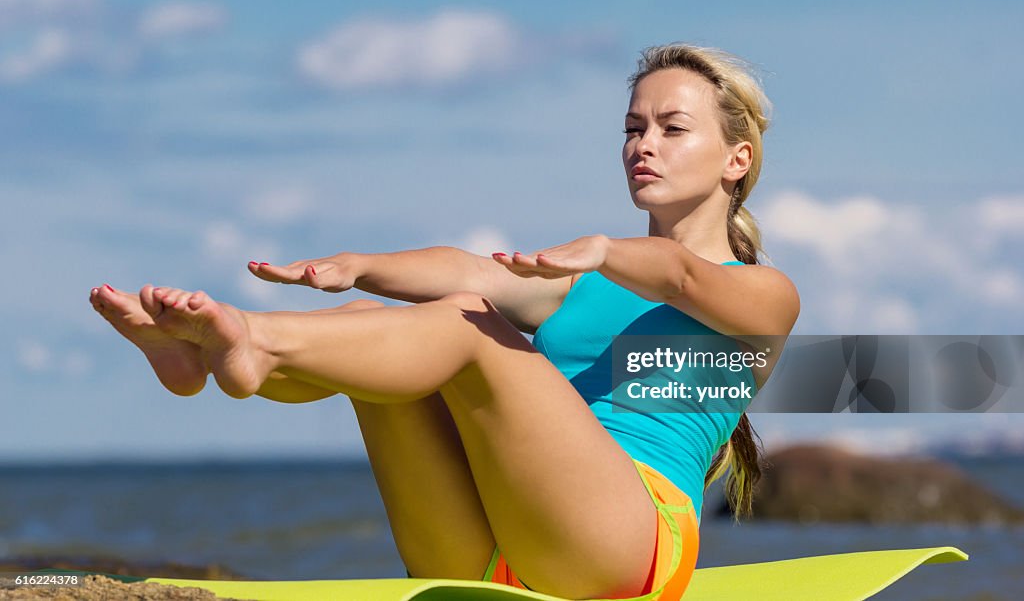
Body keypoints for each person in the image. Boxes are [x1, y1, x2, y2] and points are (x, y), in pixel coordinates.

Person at [89, 43, 799, 600]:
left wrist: (610, 250)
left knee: (467, 328)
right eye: (633, 127)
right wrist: (361, 266)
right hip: (492, 556)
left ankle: (252, 341)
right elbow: (466, 271)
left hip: (627, 550)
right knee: (376, 334)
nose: (643, 144)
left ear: (737, 159)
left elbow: (681, 276)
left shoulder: (762, 297)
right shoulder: (580, 280)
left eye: (672, 128)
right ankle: (205, 355)